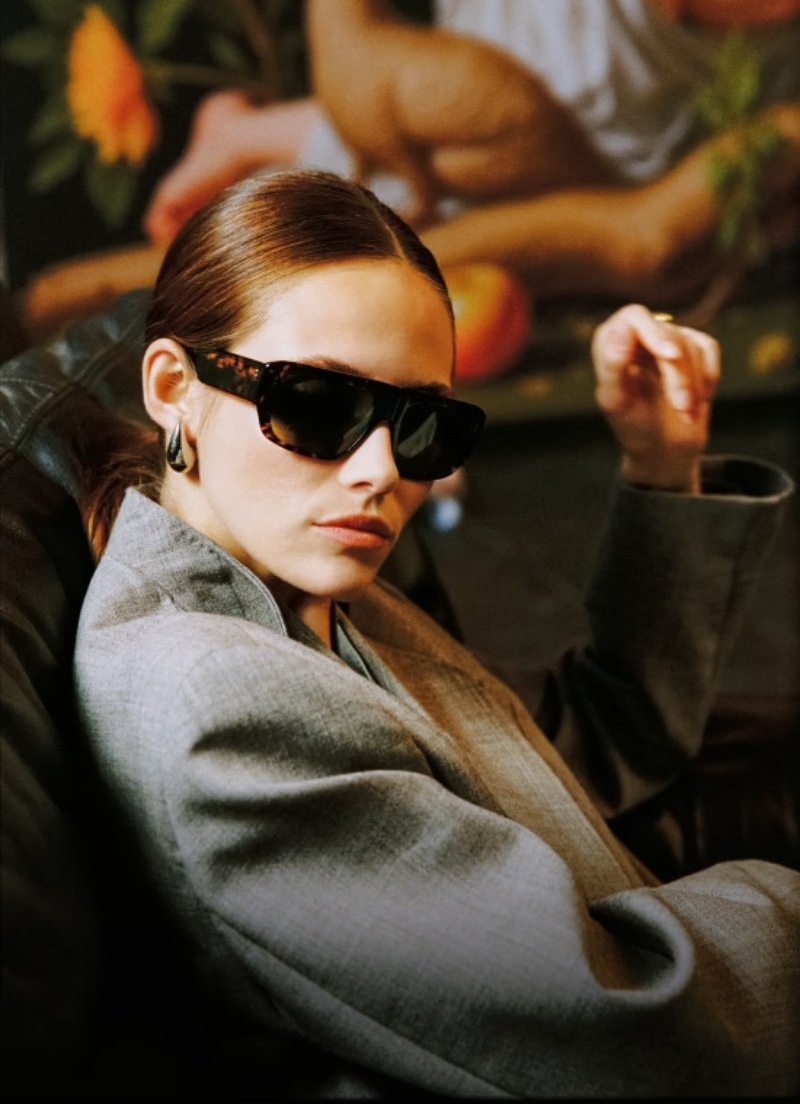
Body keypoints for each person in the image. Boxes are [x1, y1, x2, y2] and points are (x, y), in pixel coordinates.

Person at [72, 168, 800, 1097]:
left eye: (423, 424)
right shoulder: (222, 707)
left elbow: (585, 751)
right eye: (318, 402)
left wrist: (662, 463)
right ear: (173, 386)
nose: (381, 470)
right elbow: (637, 1015)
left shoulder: (292, 577)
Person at [141, 0, 800, 308]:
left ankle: (244, 135)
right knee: (487, 144)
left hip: (682, 50)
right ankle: (244, 141)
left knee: (488, 155)